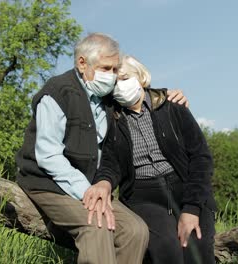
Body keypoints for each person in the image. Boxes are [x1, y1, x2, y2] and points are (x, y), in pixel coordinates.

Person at [15, 33, 187, 264]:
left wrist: (169, 97)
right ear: (82, 63)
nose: (113, 76)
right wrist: (87, 191)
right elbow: (48, 156)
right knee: (97, 227)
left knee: (135, 230)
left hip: (91, 186)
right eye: (106, 68)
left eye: (115, 69)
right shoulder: (58, 92)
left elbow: (141, 95)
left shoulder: (108, 97)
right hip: (48, 183)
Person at [98, 55, 217, 264]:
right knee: (167, 250)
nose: (120, 86)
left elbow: (201, 157)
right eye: (114, 82)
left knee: (196, 250)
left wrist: (191, 208)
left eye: (124, 78)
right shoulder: (111, 117)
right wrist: (104, 182)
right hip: (143, 195)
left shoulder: (172, 106)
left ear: (141, 78)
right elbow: (110, 162)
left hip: (185, 187)